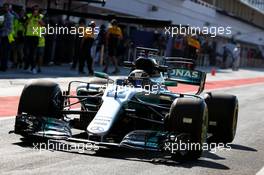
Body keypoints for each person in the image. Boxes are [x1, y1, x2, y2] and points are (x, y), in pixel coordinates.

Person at [24, 5, 44, 74]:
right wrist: (32, 16)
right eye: (35, 9)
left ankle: (33, 67)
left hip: (35, 36)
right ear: (32, 10)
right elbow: (25, 24)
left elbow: (43, 25)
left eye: (37, 10)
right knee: (26, 52)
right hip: (28, 35)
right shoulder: (28, 15)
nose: (36, 11)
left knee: (33, 53)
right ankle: (27, 65)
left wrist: (40, 21)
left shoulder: (41, 16)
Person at [0, 3, 13, 72]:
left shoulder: (10, 15)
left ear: (8, 8)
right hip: (3, 35)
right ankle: (3, 65)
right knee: (3, 51)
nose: (5, 8)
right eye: (4, 7)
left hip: (8, 35)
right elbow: (0, 24)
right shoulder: (2, 15)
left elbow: (8, 27)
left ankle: (4, 66)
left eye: (6, 7)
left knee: (6, 52)